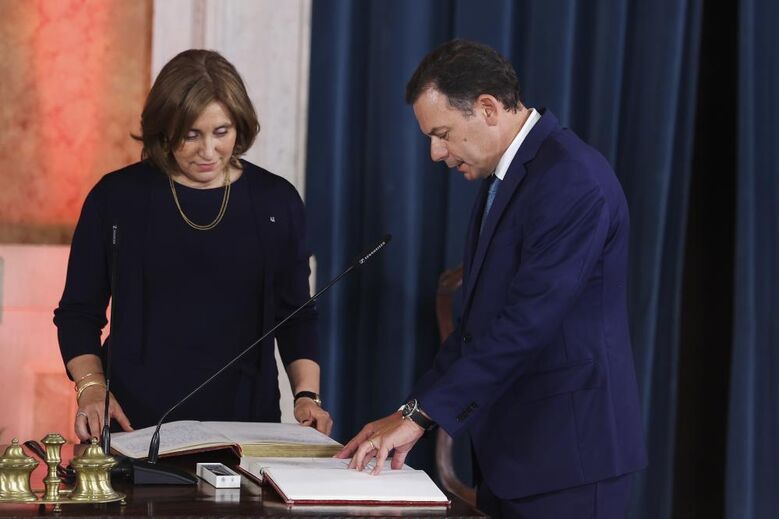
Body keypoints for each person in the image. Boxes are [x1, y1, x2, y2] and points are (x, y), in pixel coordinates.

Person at [337, 39, 646, 518]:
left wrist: (423, 417)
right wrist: (407, 410)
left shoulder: (572, 179)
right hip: (515, 457)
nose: (436, 153)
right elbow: (477, 328)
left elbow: (526, 325)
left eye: (442, 133)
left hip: (570, 461)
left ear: (487, 107)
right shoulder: (508, 178)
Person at [54, 49, 332, 442]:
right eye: (191, 135)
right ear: (164, 130)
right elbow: (78, 313)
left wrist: (306, 395)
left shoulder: (276, 202)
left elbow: (296, 315)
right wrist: (92, 388)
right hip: (134, 424)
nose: (208, 151)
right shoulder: (116, 198)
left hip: (246, 425)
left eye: (222, 132)